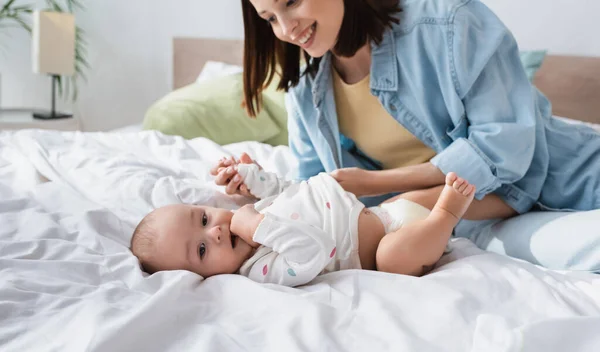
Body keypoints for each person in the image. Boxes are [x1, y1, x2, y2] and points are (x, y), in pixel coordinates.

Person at [215, 0, 600, 245]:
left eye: (292, 2)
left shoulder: (450, 23)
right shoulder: (307, 95)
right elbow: (323, 197)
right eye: (270, 19)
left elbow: (505, 149)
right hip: (462, 214)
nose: (286, 29)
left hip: (572, 178)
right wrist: (262, 187)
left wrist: (380, 184)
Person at [131, 164, 489, 285]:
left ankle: (506, 202)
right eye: (203, 249)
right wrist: (257, 227)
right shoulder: (260, 268)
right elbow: (313, 251)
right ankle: (446, 217)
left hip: (385, 215)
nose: (216, 231)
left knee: (468, 194)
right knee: (392, 257)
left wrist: (253, 178)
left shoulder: (257, 211)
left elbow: (293, 192)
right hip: (391, 248)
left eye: (205, 219)